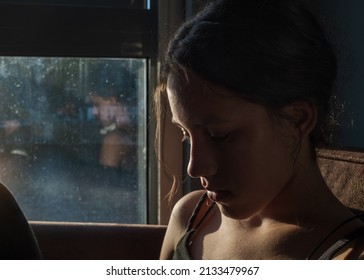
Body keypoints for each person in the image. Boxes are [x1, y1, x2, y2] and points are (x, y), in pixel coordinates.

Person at [156, 0, 364, 260]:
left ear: (297, 120)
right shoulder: (190, 217)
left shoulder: (350, 257)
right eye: (186, 134)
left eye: (220, 136)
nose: (195, 168)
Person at [89, 88, 132, 168]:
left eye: (97, 105)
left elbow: (106, 178)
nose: (94, 112)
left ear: (112, 101)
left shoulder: (114, 140)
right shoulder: (130, 131)